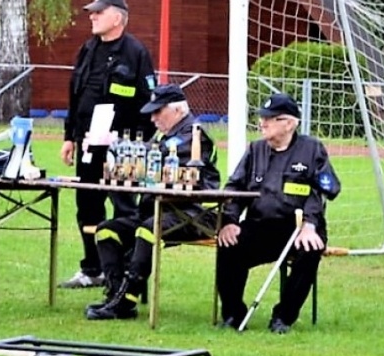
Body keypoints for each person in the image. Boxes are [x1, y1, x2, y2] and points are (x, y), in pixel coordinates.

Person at [84, 85, 222, 321]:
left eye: (158, 112)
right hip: (154, 210)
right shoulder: (163, 134)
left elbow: (162, 153)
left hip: (191, 213)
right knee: (107, 230)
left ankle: (126, 300)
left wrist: (117, 143)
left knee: (147, 230)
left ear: (177, 110)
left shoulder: (194, 133)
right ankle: (116, 295)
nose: (153, 118)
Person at [216, 92, 341, 334]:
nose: (263, 122)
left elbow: (323, 191)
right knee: (229, 244)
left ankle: (283, 317)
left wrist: (310, 223)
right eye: (262, 117)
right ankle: (233, 313)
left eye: (271, 118)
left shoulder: (312, 149)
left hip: (297, 227)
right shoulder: (255, 150)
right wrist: (230, 220)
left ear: (290, 123)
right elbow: (234, 187)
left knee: (310, 249)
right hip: (260, 225)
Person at [58, 0, 157, 289]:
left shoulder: (136, 53)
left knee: (124, 209)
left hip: (123, 147)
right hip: (89, 144)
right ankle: (92, 268)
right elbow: (75, 97)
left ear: (117, 17)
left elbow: (149, 103)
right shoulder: (87, 50)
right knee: (87, 206)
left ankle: (123, 270)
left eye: (99, 12)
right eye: (92, 11)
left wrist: (136, 143)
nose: (92, 16)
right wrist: (69, 137)